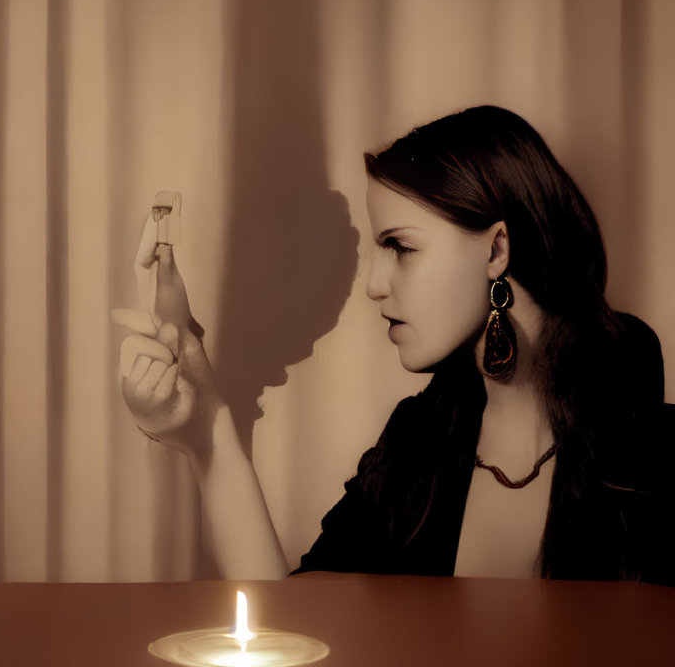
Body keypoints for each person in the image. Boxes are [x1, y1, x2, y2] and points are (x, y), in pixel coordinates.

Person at [113, 106, 671, 583]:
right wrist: (206, 429)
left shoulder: (649, 450)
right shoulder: (416, 448)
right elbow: (291, 627)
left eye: (400, 247)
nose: (375, 285)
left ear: (497, 249)